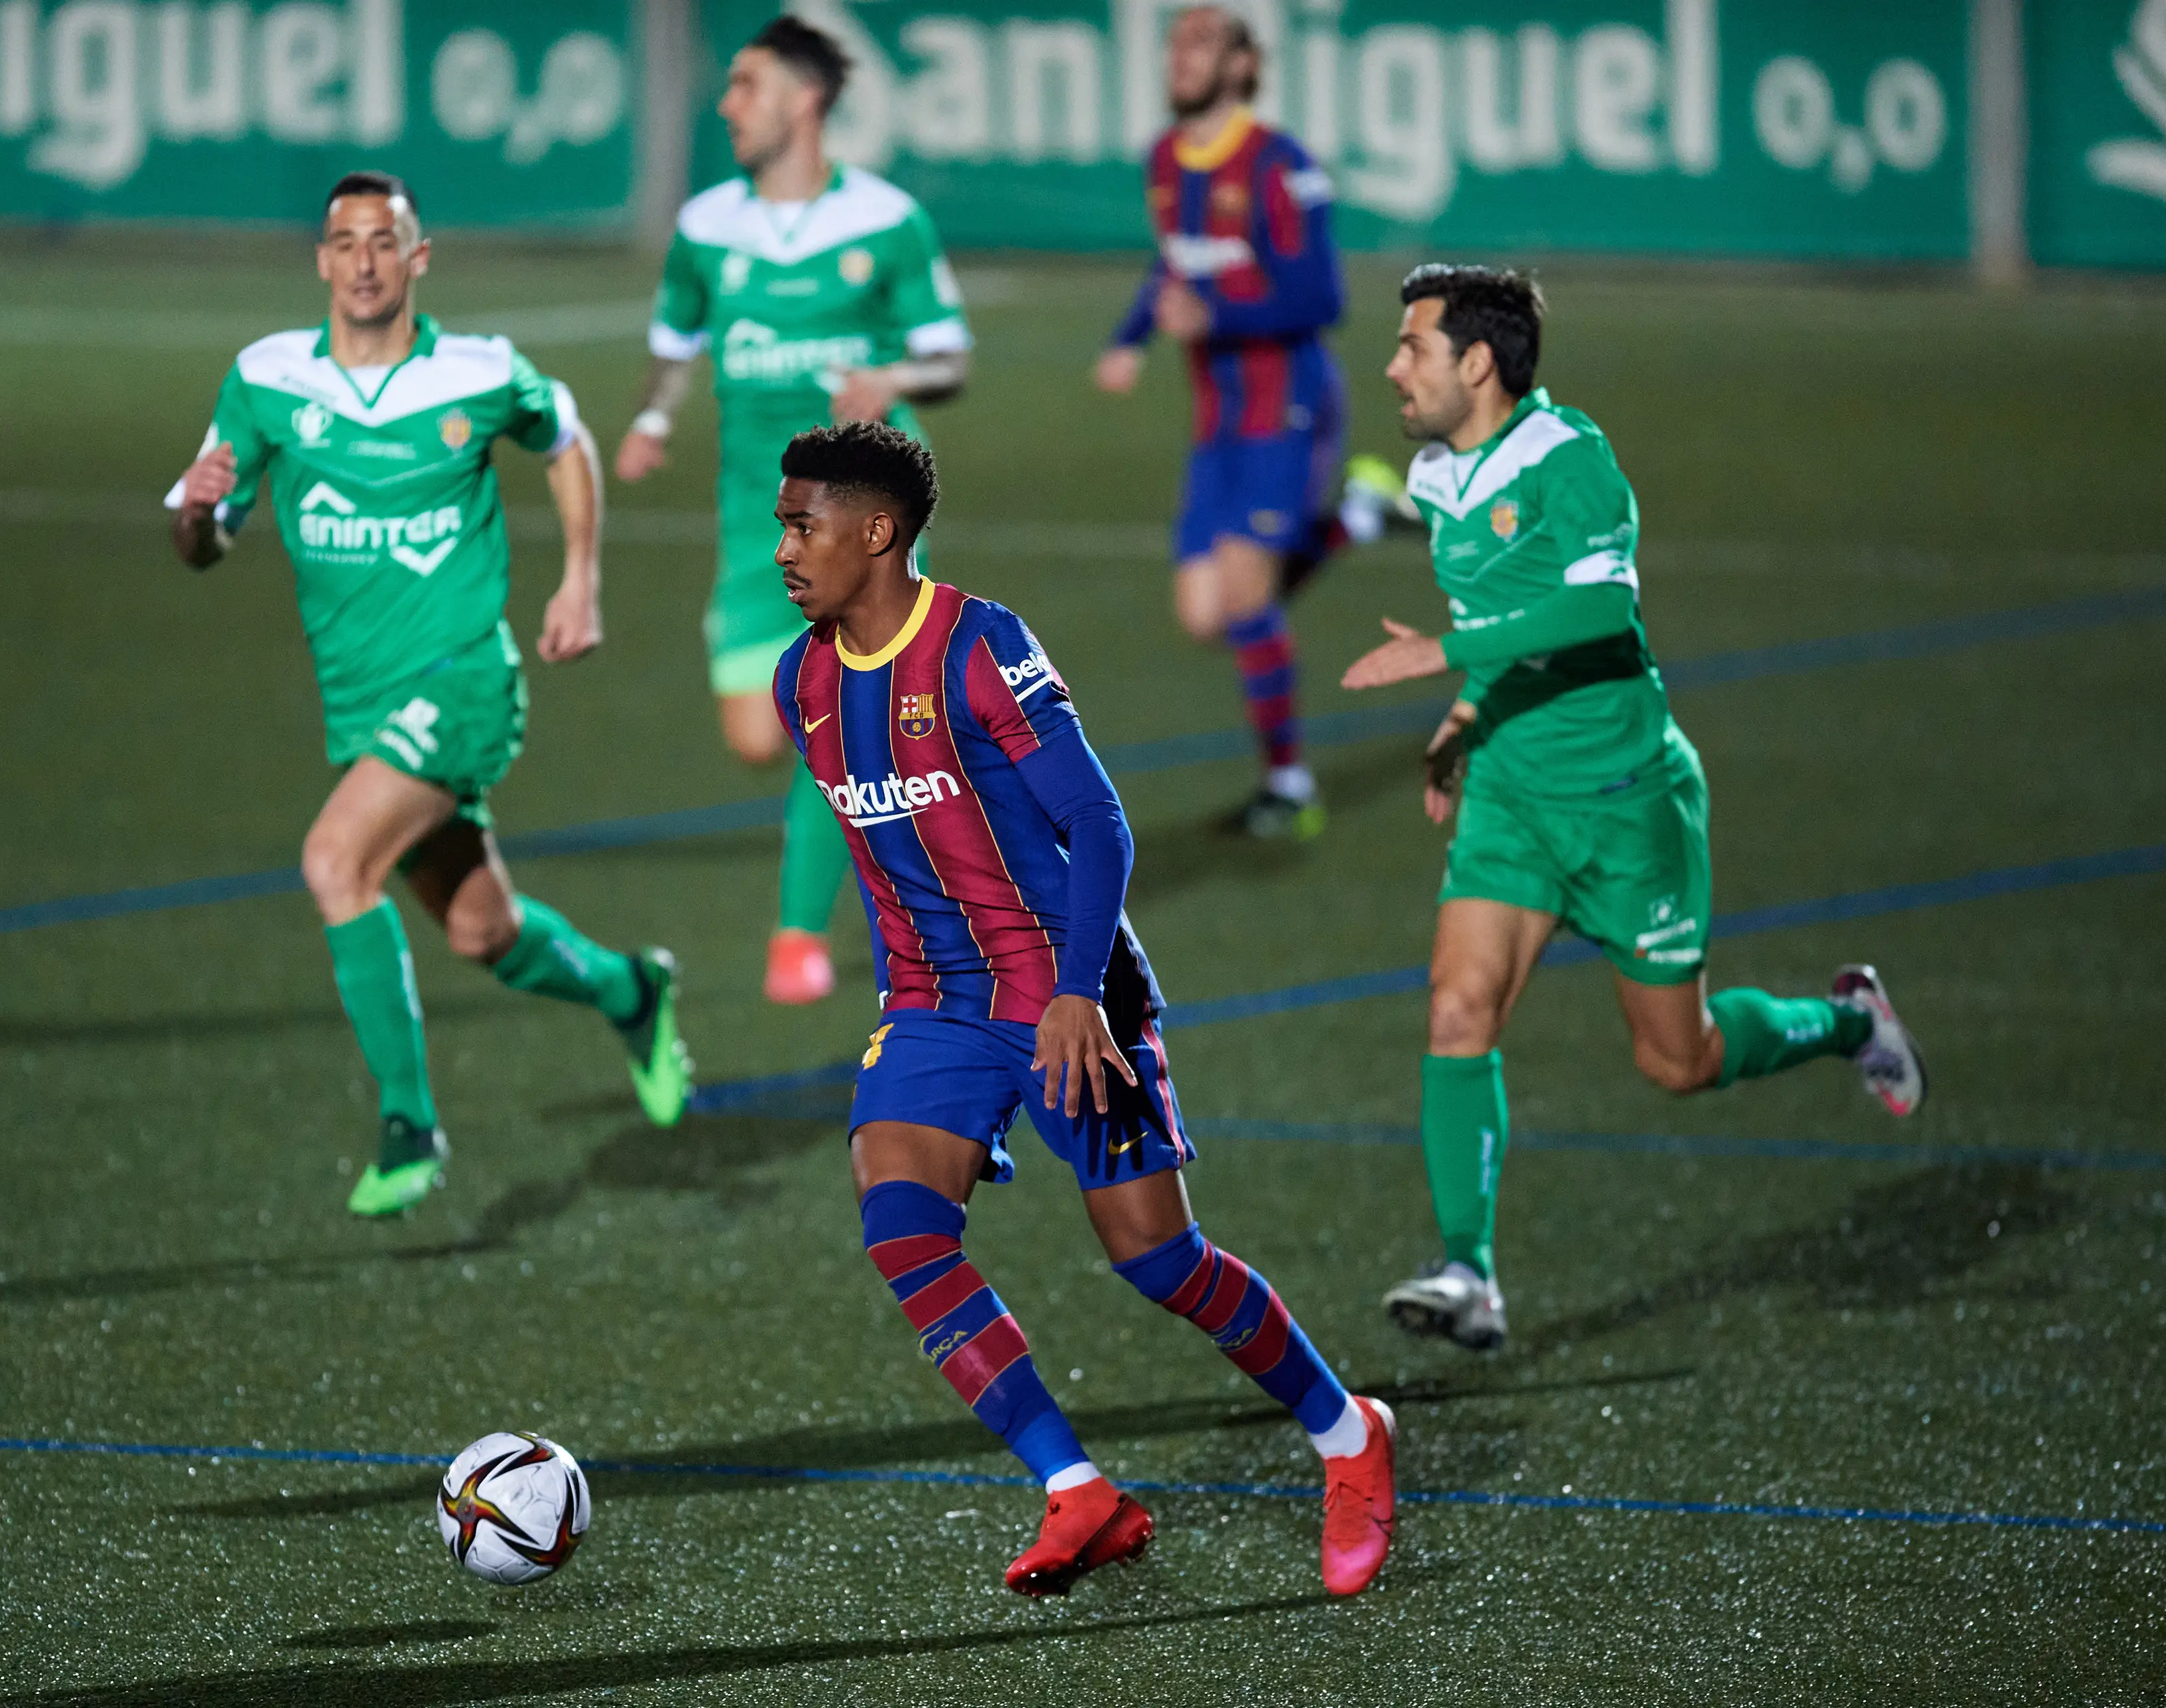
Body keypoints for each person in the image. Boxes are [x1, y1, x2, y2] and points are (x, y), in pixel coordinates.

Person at [771, 421, 1397, 1599]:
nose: (784, 550)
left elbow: (1099, 822)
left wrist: (1074, 994)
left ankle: (1348, 1434)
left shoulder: (976, 644)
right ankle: (1078, 1491)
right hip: (935, 1006)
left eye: (802, 525)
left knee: (1158, 1259)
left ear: (876, 531)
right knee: (903, 1231)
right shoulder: (802, 676)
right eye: (781, 527)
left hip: (1070, 992)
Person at [1341, 265, 1927, 1350]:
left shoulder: (1575, 463)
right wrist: (1468, 717)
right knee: (1458, 1010)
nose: (1393, 366)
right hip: (1514, 797)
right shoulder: (1436, 478)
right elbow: (1506, 613)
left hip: (1625, 805)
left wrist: (1444, 654)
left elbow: (1600, 605)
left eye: (1412, 345)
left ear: (1478, 363)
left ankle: (1851, 1021)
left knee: (1679, 1061)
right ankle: (1469, 1270)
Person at [167, 172, 692, 1218]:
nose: (363, 261)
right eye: (344, 242)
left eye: (384, 241)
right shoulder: (266, 379)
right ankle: (633, 990)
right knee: (482, 934)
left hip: (462, 682)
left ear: (418, 258)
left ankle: (409, 1123)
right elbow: (200, 537)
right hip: (361, 703)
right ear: (322, 260)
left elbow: (569, 442)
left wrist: (580, 578)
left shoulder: (478, 372)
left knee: (333, 860)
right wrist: (201, 514)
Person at [617, 15, 972, 1004]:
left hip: (866, 519)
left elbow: (950, 356)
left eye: (745, 85)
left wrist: (893, 373)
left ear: (804, 100)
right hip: (753, 522)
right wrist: (651, 418)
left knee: (840, 714)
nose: (726, 105)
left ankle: (799, 934)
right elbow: (675, 336)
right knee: (754, 735)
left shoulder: (887, 220)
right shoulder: (706, 228)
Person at [1094, 5, 1401, 841]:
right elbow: (1175, 260)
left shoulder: (1279, 163)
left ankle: (1290, 785)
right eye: (1173, 45)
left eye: (1200, 44)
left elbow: (1321, 296)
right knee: (1204, 615)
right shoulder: (1164, 160)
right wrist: (1131, 339)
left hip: (1288, 404)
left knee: (1242, 598)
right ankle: (1359, 518)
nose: (1178, 59)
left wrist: (1215, 316)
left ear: (1241, 64)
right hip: (1217, 416)